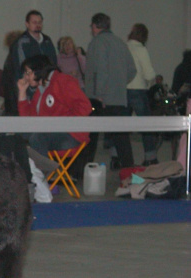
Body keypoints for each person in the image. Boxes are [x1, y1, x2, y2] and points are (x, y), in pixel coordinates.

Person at [85, 12, 137, 170]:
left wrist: (99, 94)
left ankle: (83, 169)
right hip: (119, 98)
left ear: (94, 26)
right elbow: (132, 70)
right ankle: (129, 170)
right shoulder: (121, 43)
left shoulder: (97, 43)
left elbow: (100, 70)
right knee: (121, 137)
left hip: (101, 99)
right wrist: (119, 84)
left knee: (89, 135)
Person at [17, 55, 92, 156]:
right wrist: (22, 92)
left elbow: (85, 106)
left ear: (38, 70)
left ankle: (41, 171)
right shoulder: (40, 90)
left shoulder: (62, 81)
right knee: (16, 135)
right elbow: (28, 120)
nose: (25, 77)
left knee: (37, 137)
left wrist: (62, 124)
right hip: (49, 133)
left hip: (71, 135)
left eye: (28, 73)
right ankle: (25, 170)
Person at [126, 23, 158, 166]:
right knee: (147, 126)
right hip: (138, 90)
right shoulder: (141, 49)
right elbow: (148, 73)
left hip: (122, 90)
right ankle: (150, 157)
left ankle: (117, 157)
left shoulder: (124, 47)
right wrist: (153, 81)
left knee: (120, 126)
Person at [9, 10, 57, 83]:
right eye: (34, 22)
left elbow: (53, 62)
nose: (38, 25)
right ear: (27, 24)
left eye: (40, 22)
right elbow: (20, 67)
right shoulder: (21, 43)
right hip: (29, 85)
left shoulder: (47, 41)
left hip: (47, 83)